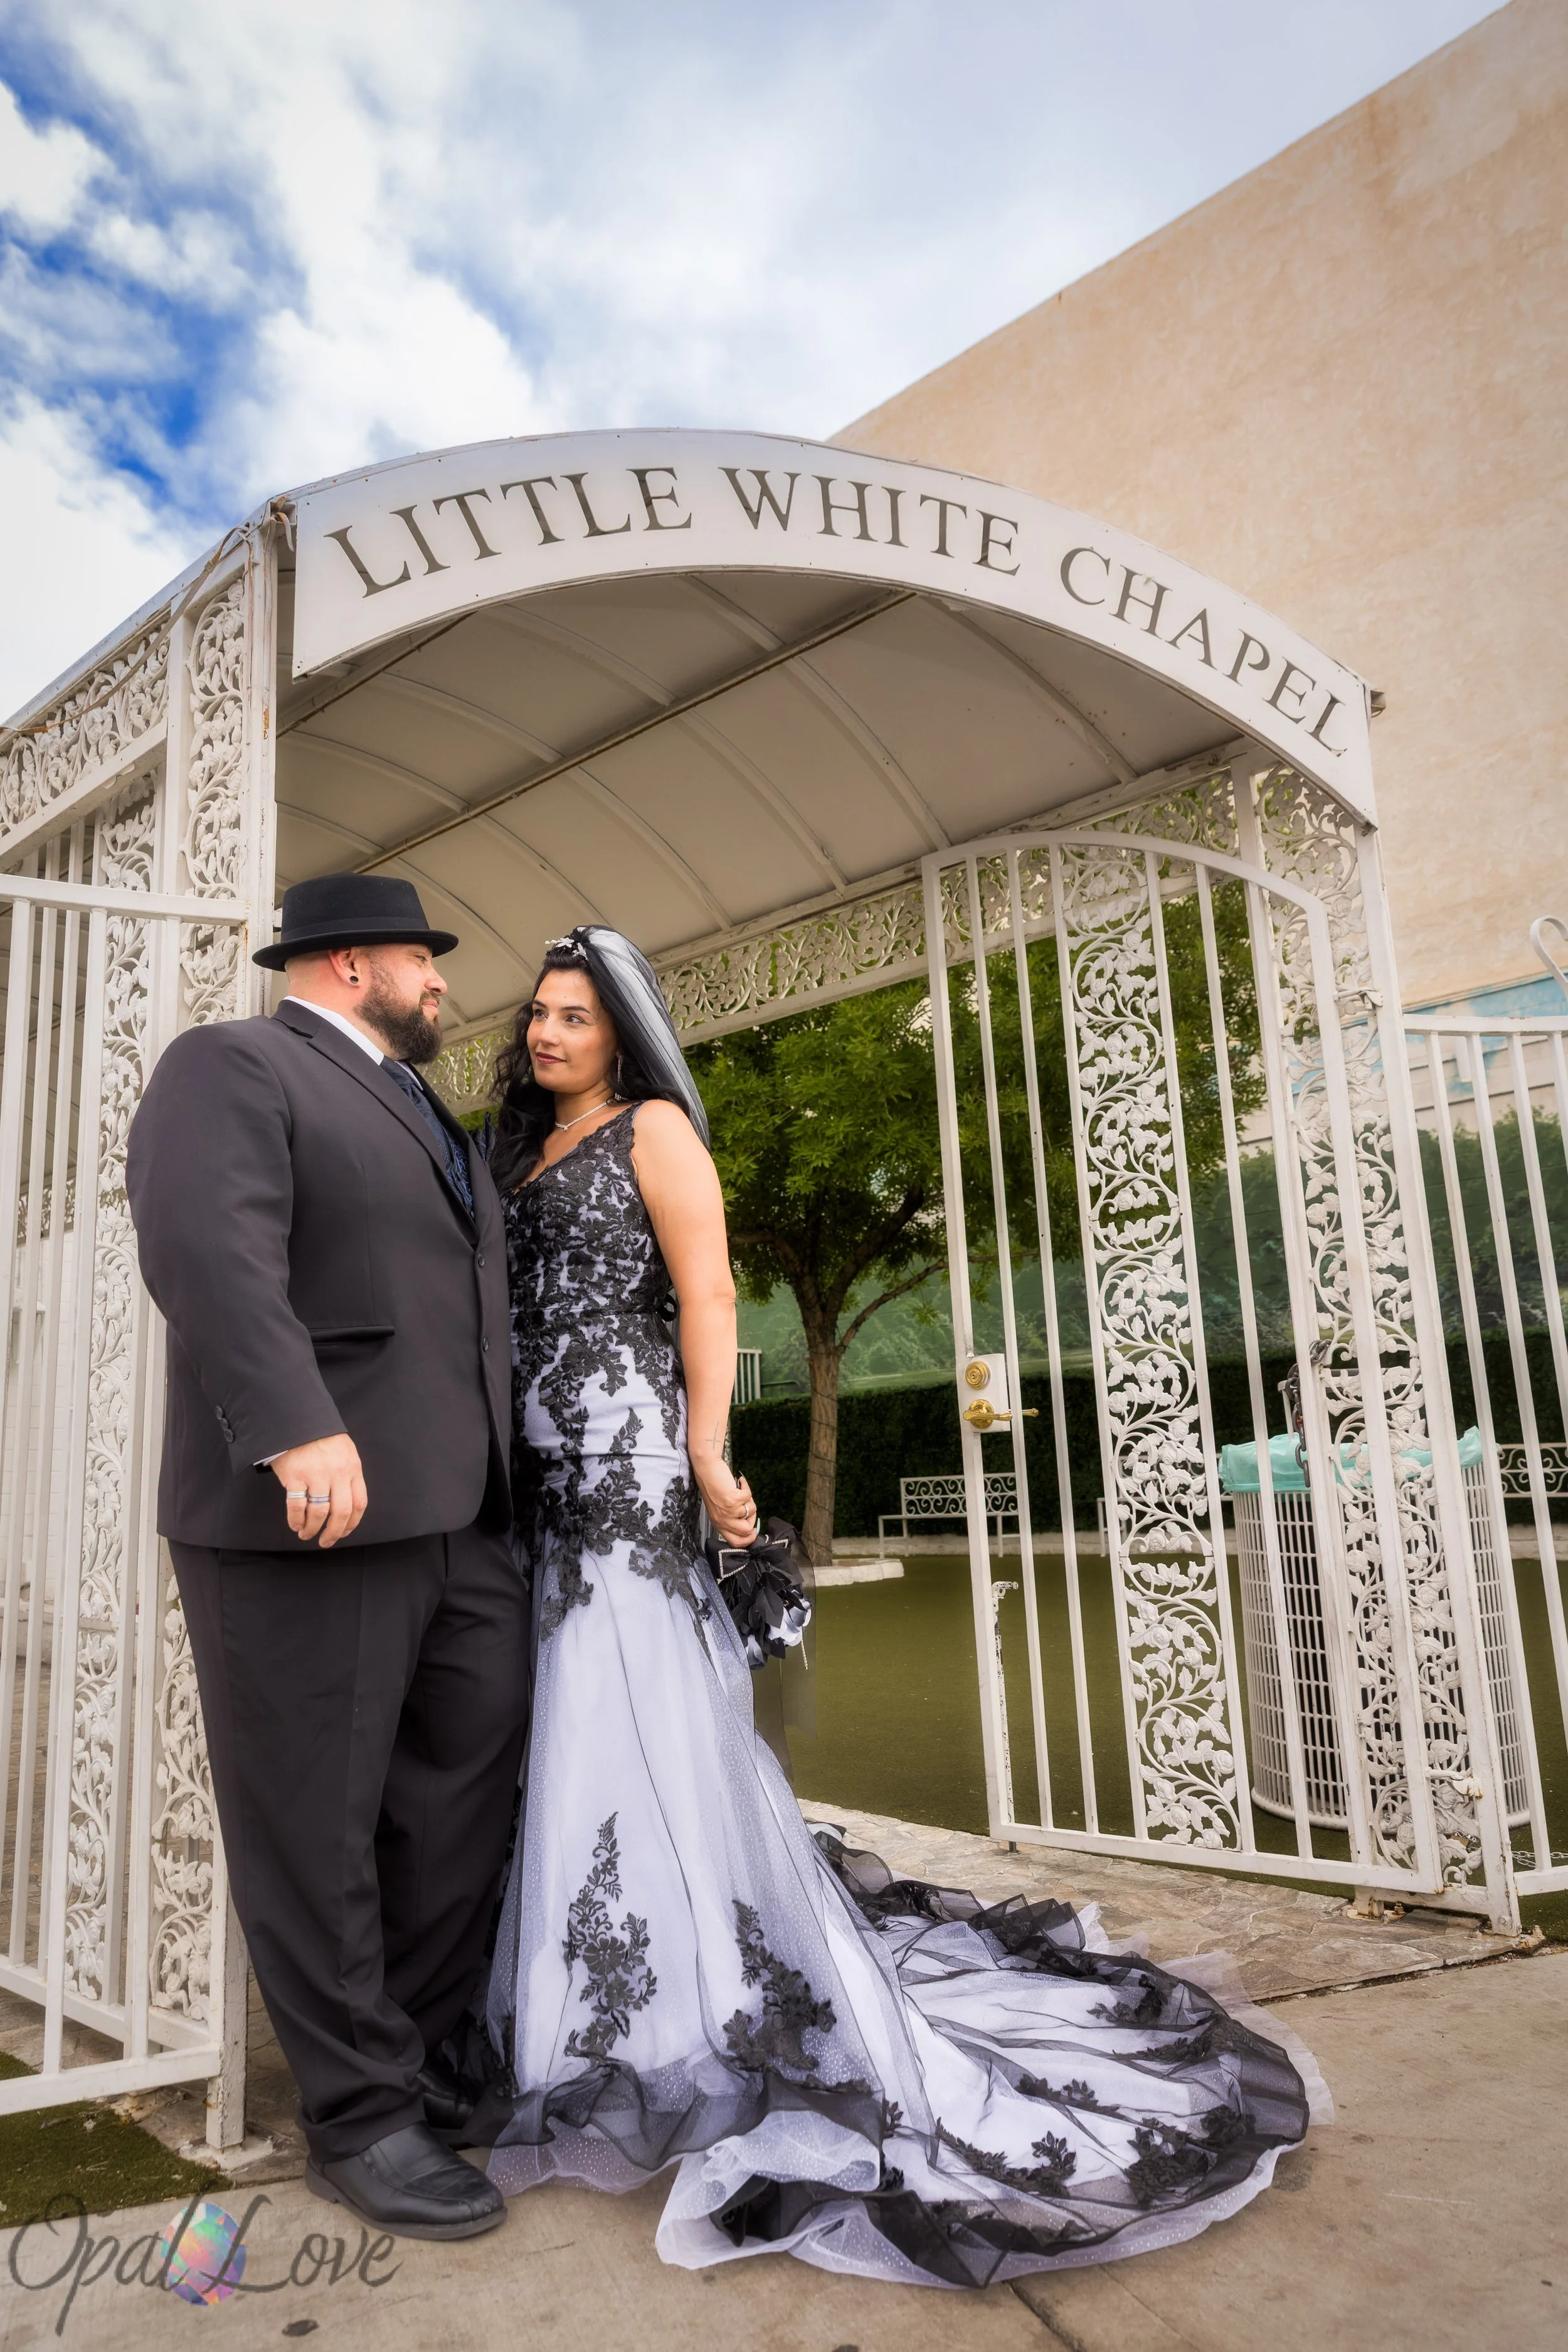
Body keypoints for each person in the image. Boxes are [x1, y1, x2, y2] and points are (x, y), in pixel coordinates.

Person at [477, 924, 1319, 2290]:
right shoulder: (519, 1153)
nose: (548, 1035)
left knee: (627, 1706)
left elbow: (702, 1293)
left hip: (626, 1457)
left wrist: (704, 1451)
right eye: (540, 1016)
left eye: (573, 1017)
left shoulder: (654, 1137)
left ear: (619, 1035)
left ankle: (687, 2008)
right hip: (534, 1465)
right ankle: (575, 2006)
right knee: (556, 1713)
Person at [126, 872, 529, 2243]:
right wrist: (296, 1424)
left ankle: (416, 2064)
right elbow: (208, 1247)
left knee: (457, 1803)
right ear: (353, 963)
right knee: (314, 1824)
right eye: (427, 959)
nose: (441, 984)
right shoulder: (230, 1063)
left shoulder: (430, 1111)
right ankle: (356, 2117)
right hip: (313, 1511)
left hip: (463, 1518)